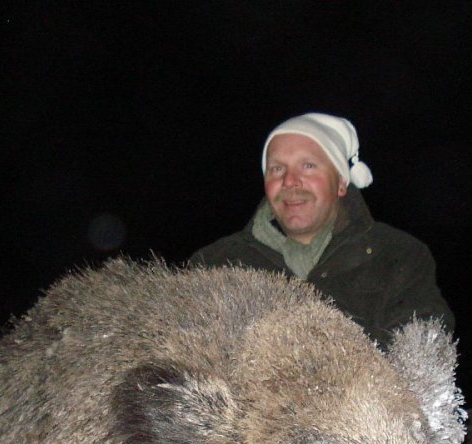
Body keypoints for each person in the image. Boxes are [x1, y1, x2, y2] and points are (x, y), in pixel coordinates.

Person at [190, 113, 453, 347]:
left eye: (308, 166)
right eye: (277, 168)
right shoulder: (214, 264)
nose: (290, 181)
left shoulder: (399, 256)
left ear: (341, 183)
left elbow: (424, 345)